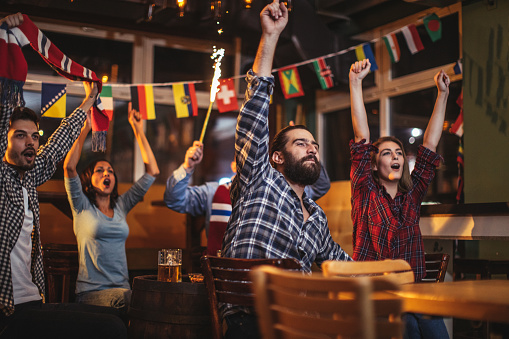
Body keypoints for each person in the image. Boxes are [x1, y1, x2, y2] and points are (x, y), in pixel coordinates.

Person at [221, 1, 352, 337]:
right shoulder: (260, 181)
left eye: (315, 145)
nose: (312, 148)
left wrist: (389, 275)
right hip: (251, 318)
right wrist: (271, 36)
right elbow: (254, 110)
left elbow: (344, 265)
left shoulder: (318, 217)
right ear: (276, 157)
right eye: (300, 143)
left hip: (303, 321)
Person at [0, 13, 127, 339]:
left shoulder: (29, 177)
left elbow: (57, 145)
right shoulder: (1, 178)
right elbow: (3, 109)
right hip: (8, 311)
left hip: (34, 302)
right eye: (19, 136)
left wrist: (89, 99)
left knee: (113, 323)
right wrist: (6, 39)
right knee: (109, 328)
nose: (30, 142)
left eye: (34, 136)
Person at [349, 58, 450, 339]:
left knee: (435, 332)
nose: (395, 157)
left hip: (414, 291)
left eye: (398, 153)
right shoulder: (365, 191)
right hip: (376, 293)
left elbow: (429, 146)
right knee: (408, 329)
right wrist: (356, 83)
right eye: (386, 153)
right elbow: (361, 138)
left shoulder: (412, 195)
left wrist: (442, 95)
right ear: (372, 164)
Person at [63, 103, 159, 314]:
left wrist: (138, 130)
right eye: (100, 171)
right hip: (91, 294)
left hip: (123, 291)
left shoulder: (121, 205)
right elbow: (69, 167)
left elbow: (152, 170)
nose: (107, 174)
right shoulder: (81, 205)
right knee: (139, 306)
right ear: (88, 181)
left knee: (149, 304)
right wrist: (85, 130)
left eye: (110, 171)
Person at [164, 138, 332, 256]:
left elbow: (321, 186)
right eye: (243, 161)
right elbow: (174, 199)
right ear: (233, 166)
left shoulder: (278, 194)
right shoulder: (212, 192)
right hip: (219, 271)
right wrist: (187, 166)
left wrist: (307, 154)